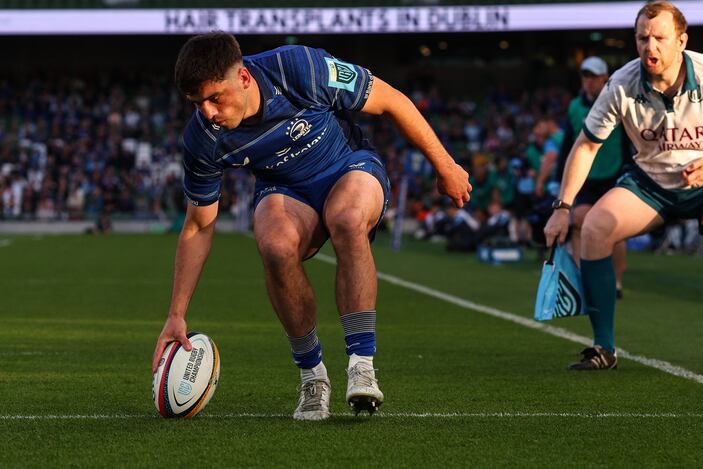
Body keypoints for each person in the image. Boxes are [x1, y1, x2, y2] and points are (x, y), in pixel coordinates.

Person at [151, 32, 471, 420]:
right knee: (275, 245)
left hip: (349, 167)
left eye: (215, 98)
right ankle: (312, 376)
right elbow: (199, 226)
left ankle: (361, 365)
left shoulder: (299, 68)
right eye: (196, 103)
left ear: (245, 78)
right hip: (285, 189)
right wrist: (176, 314)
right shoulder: (203, 137)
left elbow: (392, 101)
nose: (207, 112)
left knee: (348, 219)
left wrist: (446, 166)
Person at [544, 0, 703, 374]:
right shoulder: (620, 84)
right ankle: (602, 347)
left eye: (659, 37)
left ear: (681, 41)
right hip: (649, 184)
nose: (649, 46)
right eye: (642, 38)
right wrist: (562, 208)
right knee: (593, 228)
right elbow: (587, 144)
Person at [558, 56, 628, 298]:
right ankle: (582, 278)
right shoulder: (574, 107)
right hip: (586, 176)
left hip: (614, 173)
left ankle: (617, 281)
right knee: (578, 221)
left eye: (594, 77)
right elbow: (569, 144)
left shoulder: (617, 101)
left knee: (616, 228)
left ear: (604, 79)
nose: (589, 82)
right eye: (585, 77)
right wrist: (562, 178)